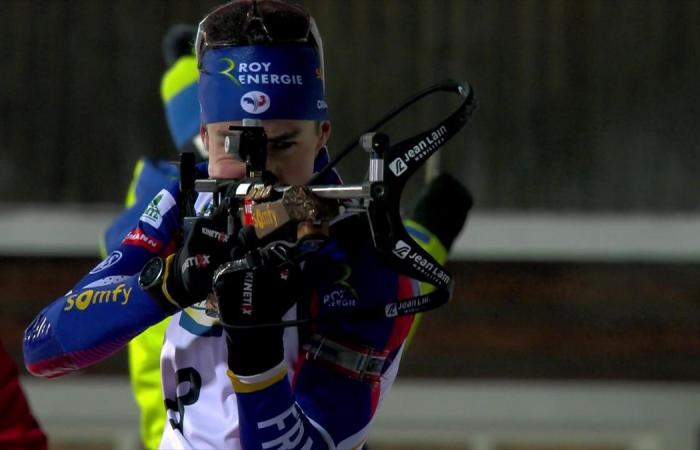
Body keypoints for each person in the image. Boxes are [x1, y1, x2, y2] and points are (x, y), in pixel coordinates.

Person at [24, 1, 470, 448]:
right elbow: (42, 346)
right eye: (234, 145)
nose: (260, 173)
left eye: (283, 145)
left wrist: (256, 347)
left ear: (323, 133)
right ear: (204, 135)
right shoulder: (185, 202)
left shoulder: (366, 259)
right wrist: (172, 283)